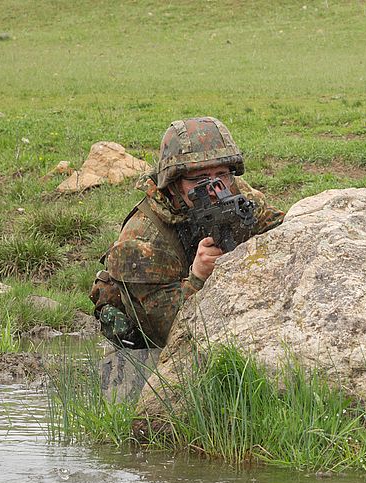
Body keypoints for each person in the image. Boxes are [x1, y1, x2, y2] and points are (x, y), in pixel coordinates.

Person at [89, 117, 284, 349]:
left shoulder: (232, 192)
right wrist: (198, 277)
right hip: (151, 337)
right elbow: (168, 332)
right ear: (173, 183)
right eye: (199, 179)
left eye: (222, 174)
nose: (215, 188)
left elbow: (282, 229)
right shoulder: (141, 242)